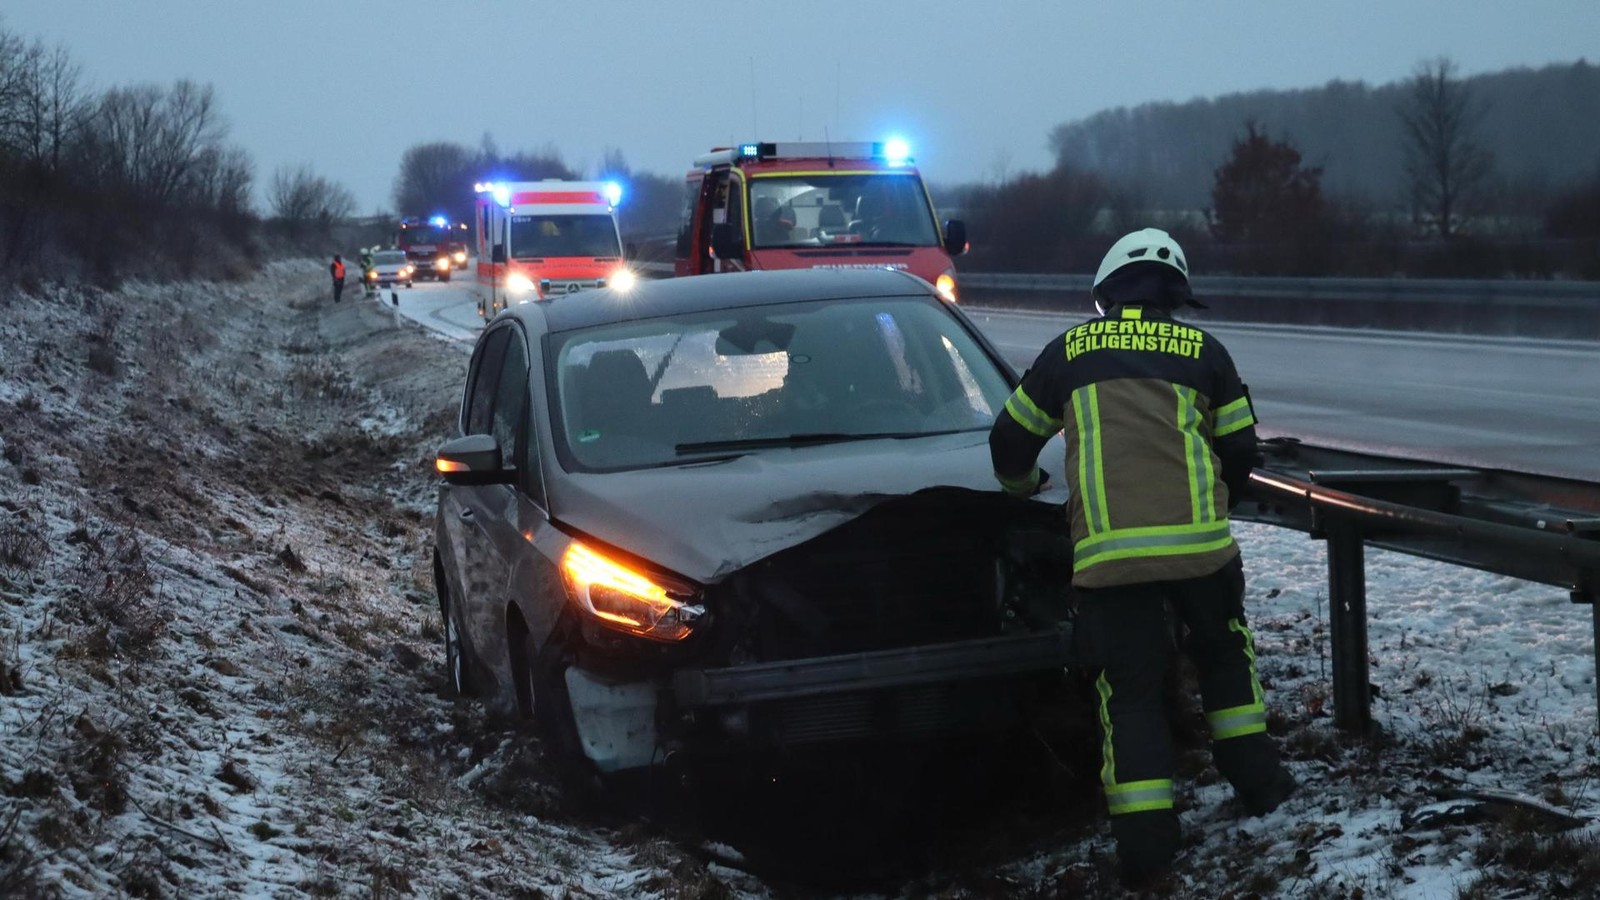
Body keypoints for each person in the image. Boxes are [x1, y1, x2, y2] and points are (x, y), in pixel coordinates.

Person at [988, 228, 1295, 886]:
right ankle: (1261, 786)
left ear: (1107, 289)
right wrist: (1217, 500)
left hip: (1110, 558)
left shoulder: (1068, 351)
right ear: (1174, 295)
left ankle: (1148, 847)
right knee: (1223, 658)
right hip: (1201, 550)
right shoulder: (1204, 350)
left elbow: (1009, 440)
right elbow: (1241, 450)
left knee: (1128, 695)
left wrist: (1025, 488)